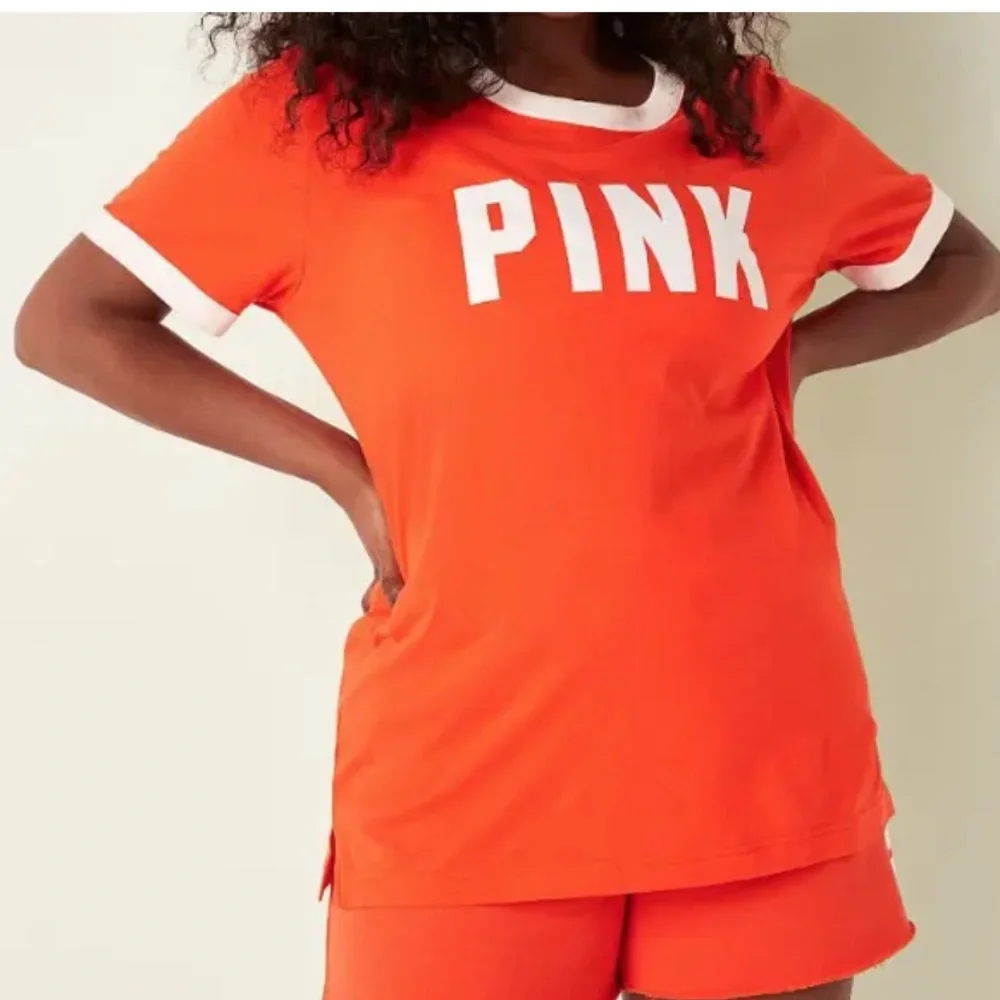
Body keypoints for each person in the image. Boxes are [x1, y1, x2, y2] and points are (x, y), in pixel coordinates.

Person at [14, 12, 1000, 1000]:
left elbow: (969, 268)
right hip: (472, 764)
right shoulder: (321, 119)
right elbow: (70, 322)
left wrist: (791, 356)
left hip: (758, 743)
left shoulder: (744, 117)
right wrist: (345, 474)